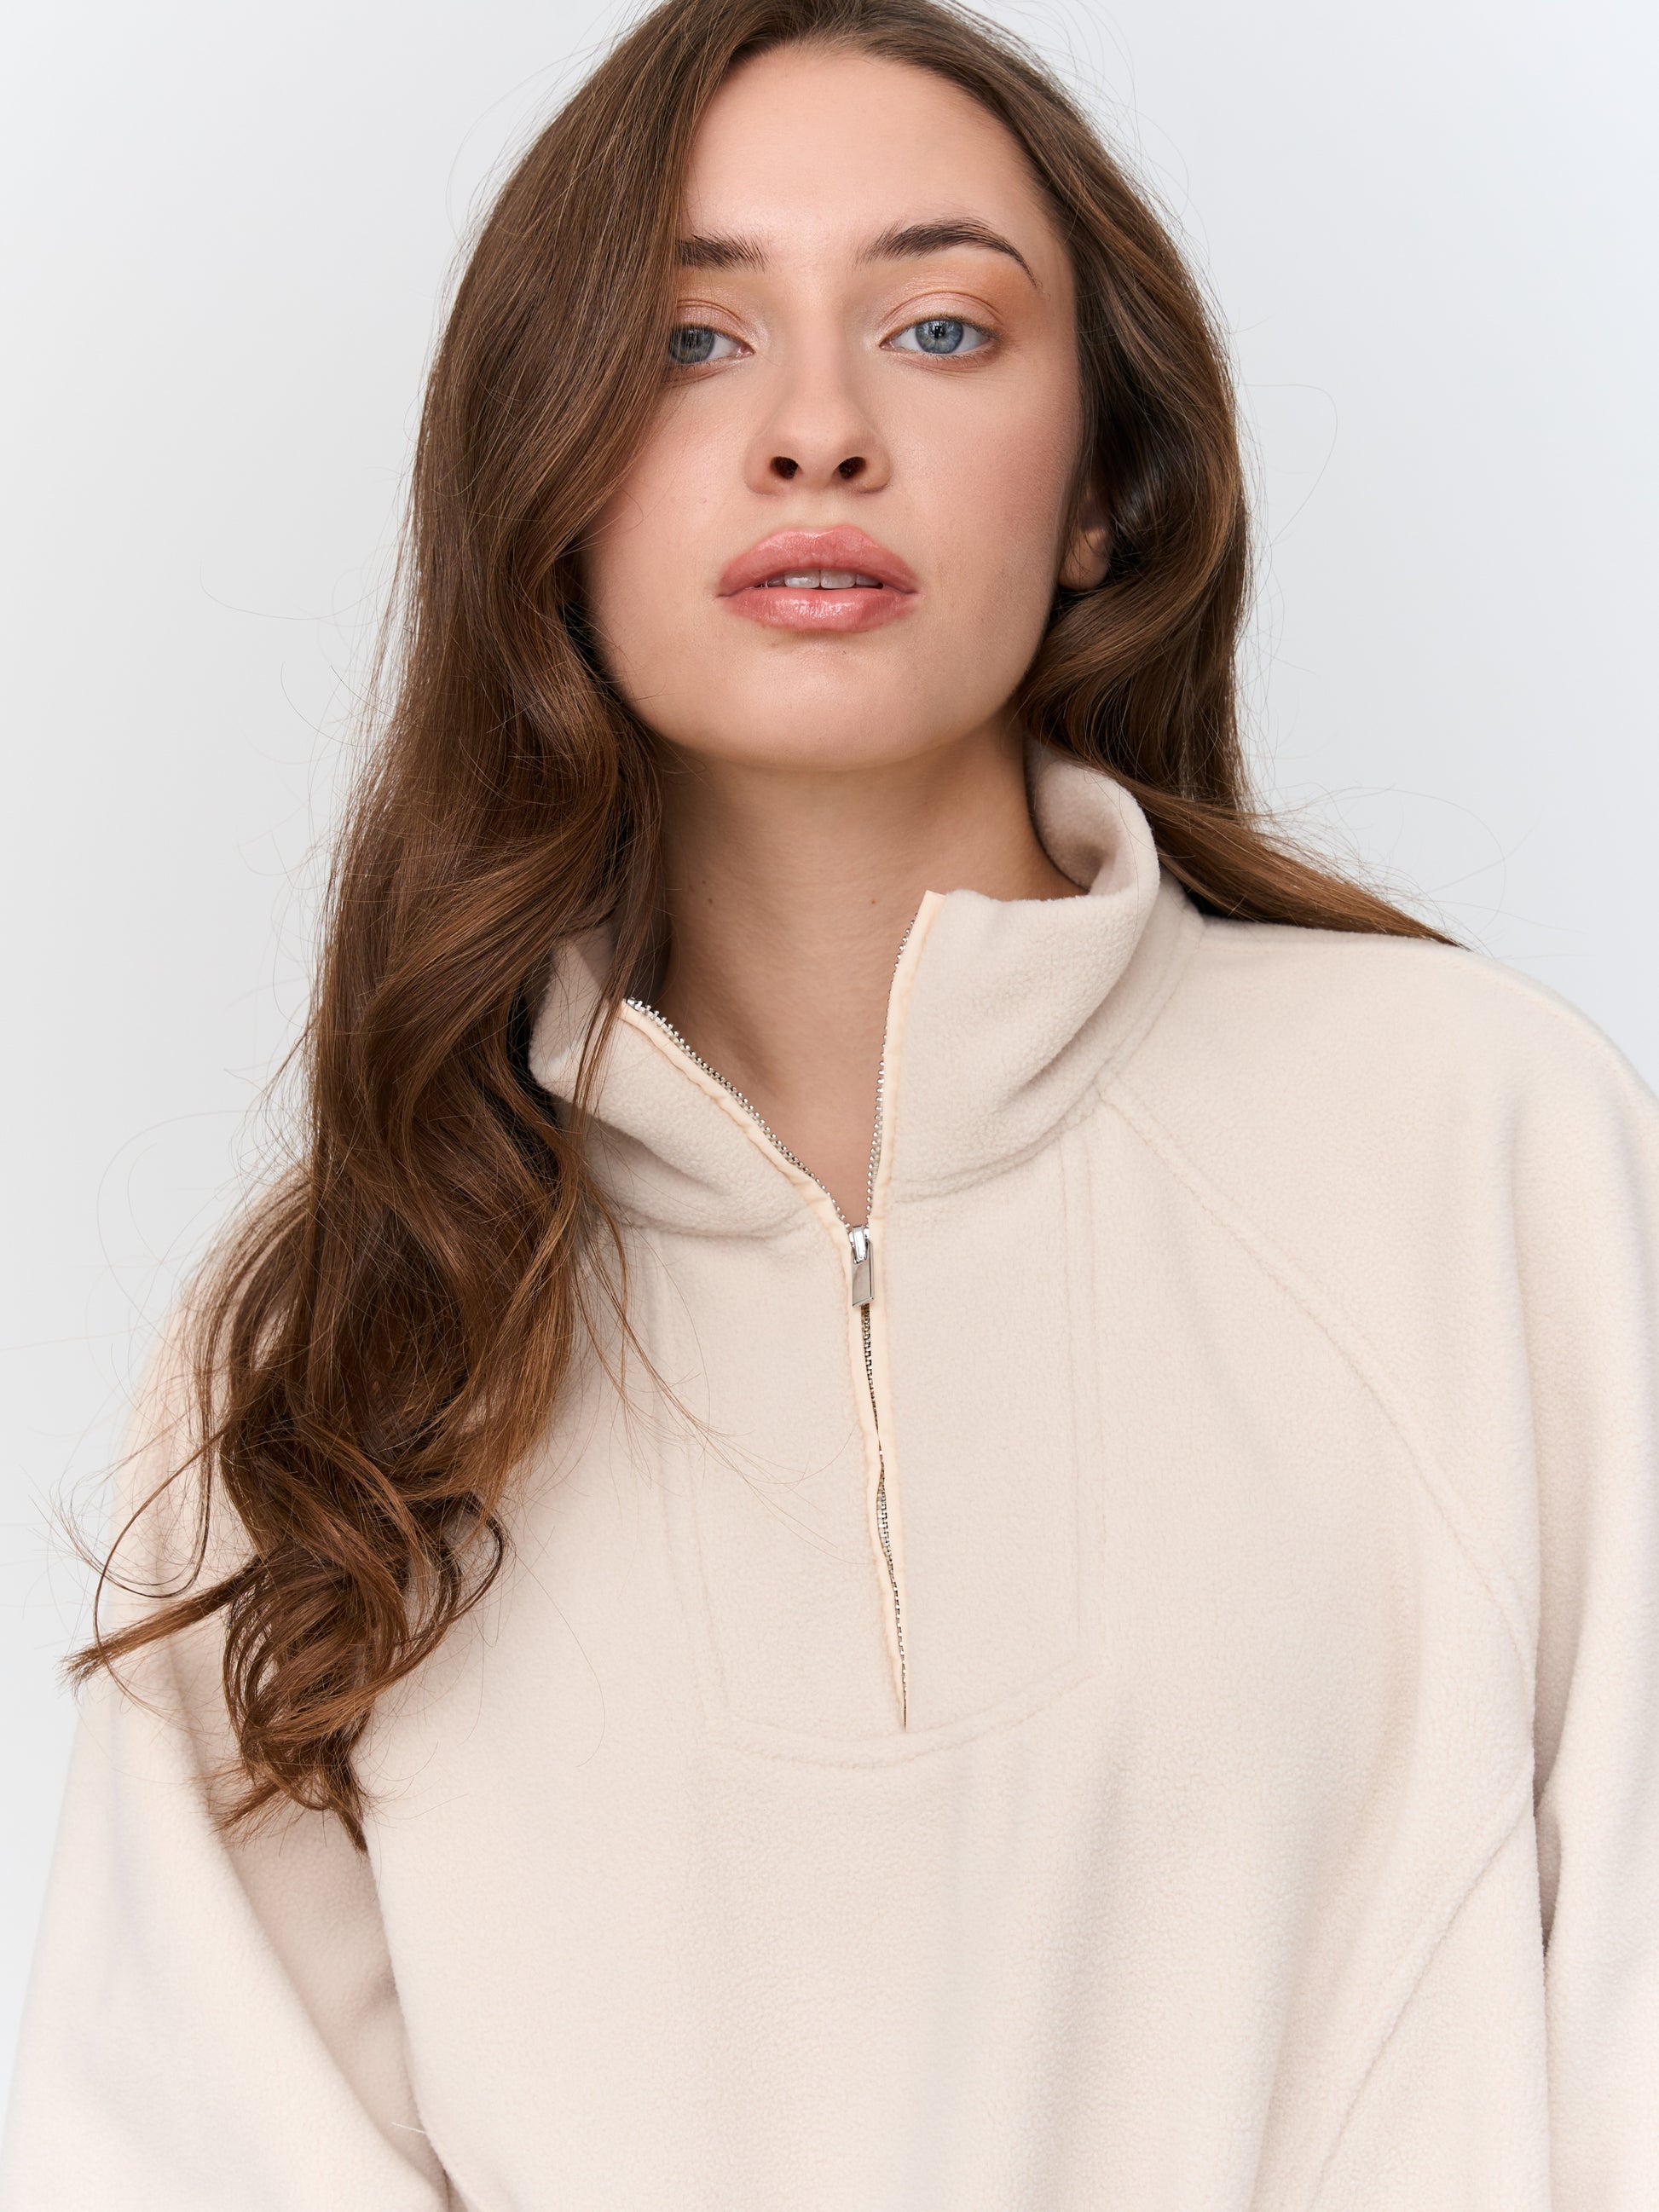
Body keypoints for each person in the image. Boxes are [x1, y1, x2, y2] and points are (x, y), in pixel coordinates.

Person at [4, 0, 1656, 2202]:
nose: (815, 432)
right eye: (689, 342)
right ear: (548, 484)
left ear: (1103, 490)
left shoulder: (1484, 1149)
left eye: (941, 330)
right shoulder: (336, 1344)